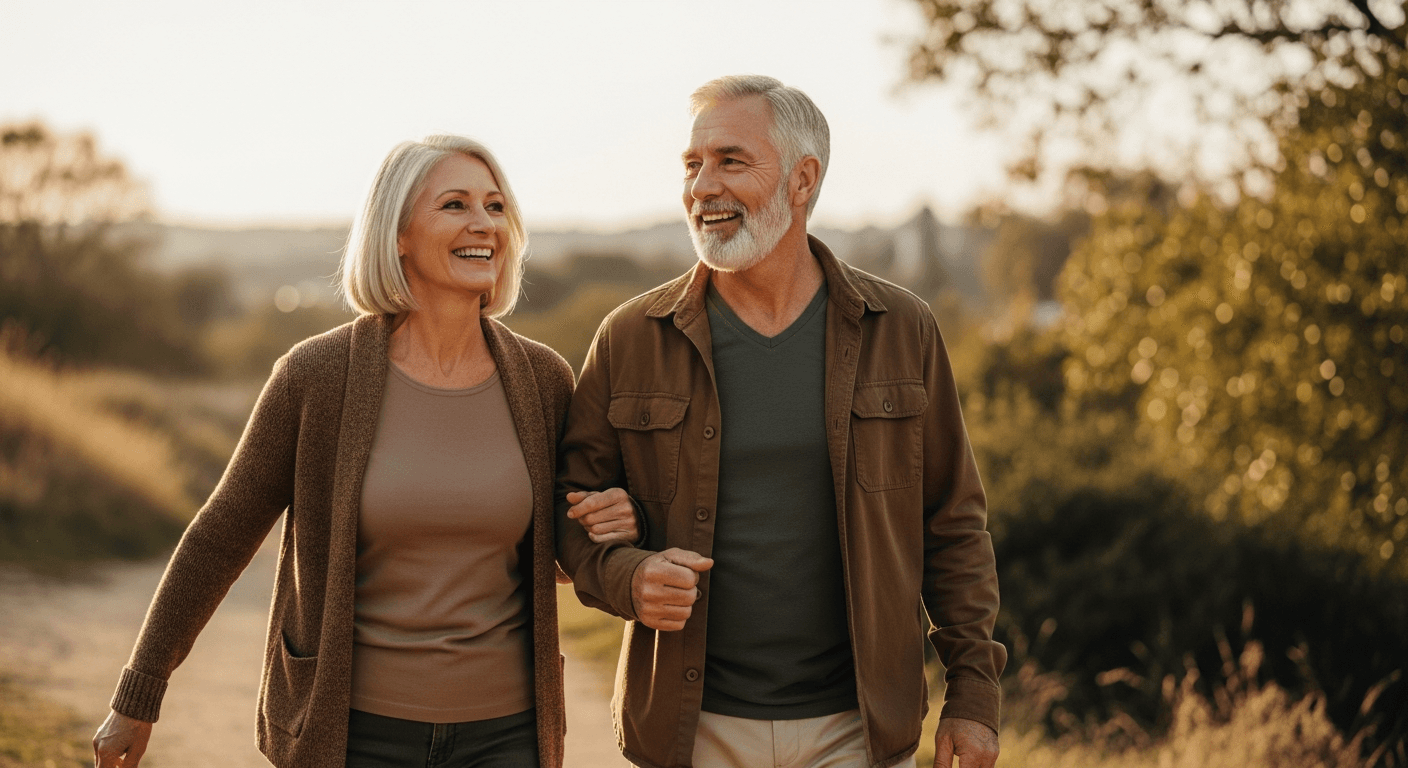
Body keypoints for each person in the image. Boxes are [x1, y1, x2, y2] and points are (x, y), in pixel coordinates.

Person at [92, 135, 639, 768]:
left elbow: (562, 553)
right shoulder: (317, 376)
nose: (482, 224)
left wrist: (608, 525)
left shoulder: (543, 380)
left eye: (495, 207)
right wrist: (140, 692)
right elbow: (221, 535)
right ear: (397, 234)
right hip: (355, 734)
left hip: (507, 735)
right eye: (455, 205)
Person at [556, 76, 1006, 768]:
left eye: (731, 161)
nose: (703, 186)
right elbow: (570, 515)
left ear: (802, 180)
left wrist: (973, 696)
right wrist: (628, 576)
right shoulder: (630, 338)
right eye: (691, 164)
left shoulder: (903, 329)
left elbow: (952, 525)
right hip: (690, 733)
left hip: (859, 731)